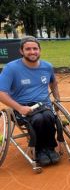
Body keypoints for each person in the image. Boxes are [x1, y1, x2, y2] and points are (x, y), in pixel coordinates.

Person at [0, 36, 60, 166]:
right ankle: (39, 151)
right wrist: (19, 108)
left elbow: (53, 82)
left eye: (35, 48)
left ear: (40, 50)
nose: (32, 52)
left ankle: (50, 148)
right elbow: (1, 93)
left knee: (49, 116)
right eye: (28, 49)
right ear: (21, 51)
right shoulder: (11, 68)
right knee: (38, 119)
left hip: (44, 105)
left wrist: (57, 99)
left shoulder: (47, 66)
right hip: (22, 108)